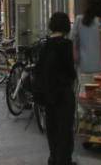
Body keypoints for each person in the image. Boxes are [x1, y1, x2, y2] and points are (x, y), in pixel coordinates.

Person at [39, 12, 77, 165]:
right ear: (66, 26)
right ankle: (64, 160)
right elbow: (70, 70)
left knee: (52, 127)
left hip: (49, 94)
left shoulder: (45, 45)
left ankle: (53, 157)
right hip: (64, 94)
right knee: (65, 129)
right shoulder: (66, 45)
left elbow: (40, 69)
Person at [71, 0, 101, 83]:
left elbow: (73, 41)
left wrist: (75, 55)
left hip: (84, 64)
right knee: (99, 93)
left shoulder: (79, 20)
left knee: (84, 92)